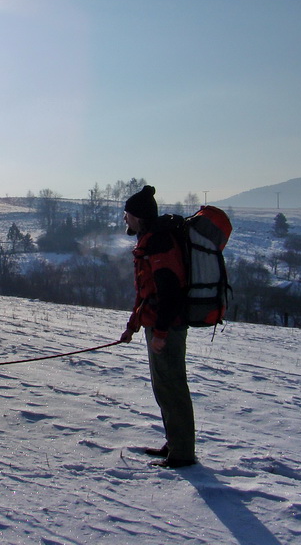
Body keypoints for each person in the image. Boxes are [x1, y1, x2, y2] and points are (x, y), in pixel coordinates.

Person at [120, 185, 197, 468]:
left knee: (172, 387)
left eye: (127, 214)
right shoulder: (149, 240)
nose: (124, 219)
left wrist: (161, 332)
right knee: (164, 387)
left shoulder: (160, 243)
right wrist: (133, 326)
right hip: (158, 326)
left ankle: (182, 454)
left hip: (168, 328)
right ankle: (175, 444)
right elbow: (146, 292)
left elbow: (170, 291)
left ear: (138, 216)